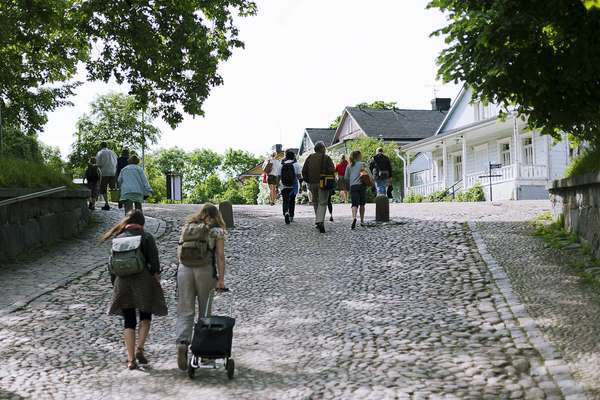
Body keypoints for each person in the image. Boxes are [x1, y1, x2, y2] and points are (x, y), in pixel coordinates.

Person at [102, 210, 167, 370]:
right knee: (145, 316)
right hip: (143, 281)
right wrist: (156, 282)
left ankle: (131, 360)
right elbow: (155, 265)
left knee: (128, 321)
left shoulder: (118, 238)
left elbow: (111, 265)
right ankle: (140, 348)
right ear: (142, 223)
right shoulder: (146, 237)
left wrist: (115, 284)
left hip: (122, 282)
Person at [176, 204, 227, 371]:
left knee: (185, 309)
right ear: (216, 215)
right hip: (205, 270)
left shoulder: (188, 226)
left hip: (184, 269)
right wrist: (220, 279)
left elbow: (179, 251)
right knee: (205, 311)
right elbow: (220, 256)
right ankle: (203, 350)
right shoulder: (216, 230)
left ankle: (183, 342)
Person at [301, 141, 335, 233]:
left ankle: (318, 220)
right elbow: (332, 169)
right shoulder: (326, 158)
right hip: (323, 182)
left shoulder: (310, 157)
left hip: (312, 183)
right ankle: (320, 221)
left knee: (315, 202)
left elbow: (304, 171)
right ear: (322, 148)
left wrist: (308, 180)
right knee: (323, 202)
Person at [345, 150, 373, 230]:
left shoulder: (349, 166)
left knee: (354, 204)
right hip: (362, 186)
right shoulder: (363, 164)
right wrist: (371, 182)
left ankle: (354, 218)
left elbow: (346, 178)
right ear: (359, 156)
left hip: (353, 186)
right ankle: (362, 221)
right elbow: (369, 175)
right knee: (362, 204)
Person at [279, 149, 302, 224]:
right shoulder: (297, 165)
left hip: (283, 185)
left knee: (285, 200)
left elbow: (279, 176)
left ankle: (286, 212)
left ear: (286, 156)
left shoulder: (281, 164)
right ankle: (291, 216)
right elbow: (299, 177)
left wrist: (276, 186)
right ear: (293, 157)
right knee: (292, 200)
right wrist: (301, 186)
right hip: (293, 186)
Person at [96, 142, 118, 211]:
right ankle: (118, 200)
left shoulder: (100, 153)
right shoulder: (113, 152)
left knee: (103, 189)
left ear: (100, 146)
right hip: (113, 172)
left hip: (104, 173)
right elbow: (117, 162)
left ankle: (107, 204)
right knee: (113, 188)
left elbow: (98, 164)